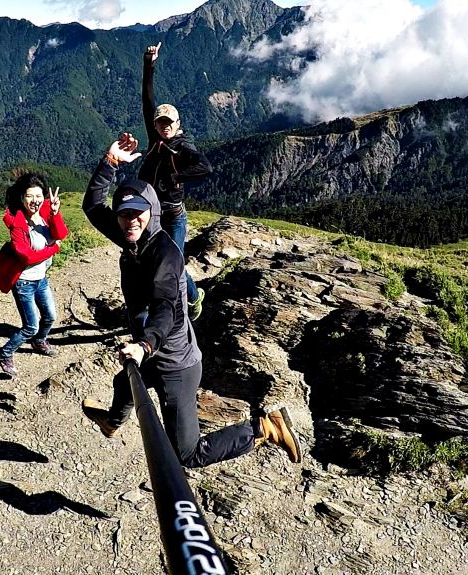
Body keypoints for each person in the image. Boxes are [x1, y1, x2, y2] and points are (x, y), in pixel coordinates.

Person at [80, 134, 301, 468]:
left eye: (138, 213)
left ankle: (263, 428)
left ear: (151, 212)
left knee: (188, 453)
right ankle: (113, 421)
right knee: (124, 381)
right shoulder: (133, 237)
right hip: (152, 350)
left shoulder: (165, 256)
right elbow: (93, 207)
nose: (130, 220)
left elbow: (166, 309)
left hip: (174, 365)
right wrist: (109, 164)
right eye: (124, 214)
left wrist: (144, 345)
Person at [139, 41, 213, 321]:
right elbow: (147, 100)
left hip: (173, 215)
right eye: (160, 122)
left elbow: (205, 167)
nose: (164, 126)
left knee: (175, 262)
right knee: (149, 259)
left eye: (169, 122)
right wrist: (149, 64)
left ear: (178, 124)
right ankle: (151, 304)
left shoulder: (184, 146)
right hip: (151, 211)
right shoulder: (155, 139)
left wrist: (177, 175)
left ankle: (193, 297)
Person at [0, 173, 69, 377]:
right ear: (21, 198)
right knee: (30, 326)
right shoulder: (18, 224)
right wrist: (54, 249)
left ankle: (39, 341)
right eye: (29, 196)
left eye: (39, 195)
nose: (35, 201)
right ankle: (4, 354)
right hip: (24, 282)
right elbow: (26, 257)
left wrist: (55, 213)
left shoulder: (45, 212)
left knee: (50, 316)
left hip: (41, 278)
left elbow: (60, 234)